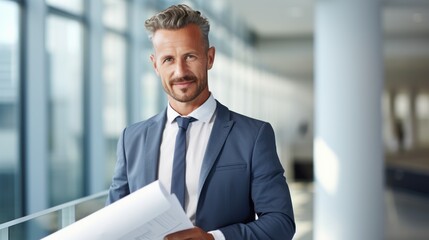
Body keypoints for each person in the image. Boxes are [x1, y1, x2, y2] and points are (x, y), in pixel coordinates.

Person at [106, 4, 295, 240]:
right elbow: (114, 221)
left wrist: (214, 238)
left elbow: (281, 223)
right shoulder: (131, 139)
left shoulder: (254, 135)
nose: (180, 71)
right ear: (155, 65)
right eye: (168, 60)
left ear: (210, 57)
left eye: (190, 56)